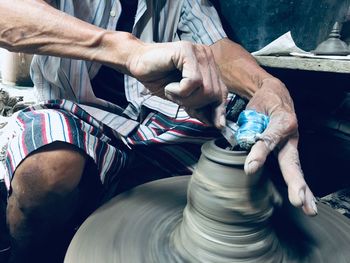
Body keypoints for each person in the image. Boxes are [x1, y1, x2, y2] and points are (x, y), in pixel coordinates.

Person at [0, 0, 317, 262]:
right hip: (74, 110)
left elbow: (219, 49)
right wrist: (129, 51)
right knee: (48, 171)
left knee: (236, 173)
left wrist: (266, 84)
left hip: (157, 122)